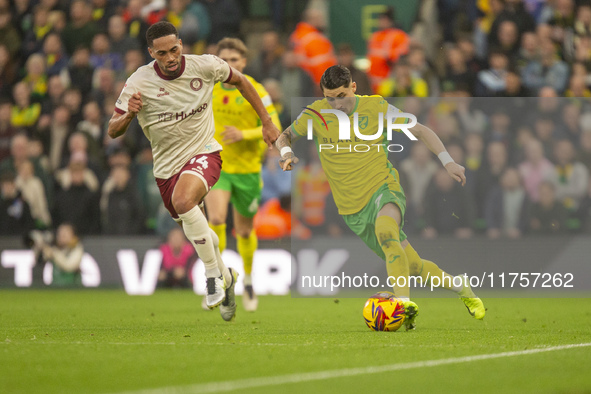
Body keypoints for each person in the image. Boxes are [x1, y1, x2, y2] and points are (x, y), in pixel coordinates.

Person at [275, 65, 485, 330]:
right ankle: (460, 286)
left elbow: (420, 130)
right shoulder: (315, 114)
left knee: (387, 233)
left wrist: (448, 162)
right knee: (415, 266)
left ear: (353, 87)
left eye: (341, 95)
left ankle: (402, 303)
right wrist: (285, 153)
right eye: (330, 97)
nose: (336, 103)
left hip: (383, 187)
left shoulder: (376, 108)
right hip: (352, 208)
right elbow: (284, 136)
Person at [107, 22, 280, 321]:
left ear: (181, 44)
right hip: (165, 169)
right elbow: (112, 130)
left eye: (174, 49)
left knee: (187, 203)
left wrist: (265, 121)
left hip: (205, 153)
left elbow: (242, 81)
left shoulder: (206, 66)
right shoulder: (139, 81)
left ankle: (212, 276)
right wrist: (131, 114)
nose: (171, 57)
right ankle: (228, 276)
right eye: (162, 53)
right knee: (199, 229)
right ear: (151, 53)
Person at [205, 37, 281, 312]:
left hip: (248, 170)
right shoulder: (208, 88)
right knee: (215, 219)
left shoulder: (256, 90)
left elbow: (275, 128)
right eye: (223, 60)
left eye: (234, 60)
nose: (229, 65)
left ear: (244, 63)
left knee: (245, 231)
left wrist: (244, 134)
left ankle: (247, 279)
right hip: (218, 167)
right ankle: (217, 279)